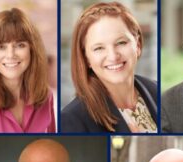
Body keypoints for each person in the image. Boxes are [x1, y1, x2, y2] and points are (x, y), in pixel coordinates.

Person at [61, 2, 157, 133]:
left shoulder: (157, 92)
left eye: (121, 42)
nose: (113, 56)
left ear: (138, 45)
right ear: (86, 58)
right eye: (99, 48)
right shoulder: (72, 120)